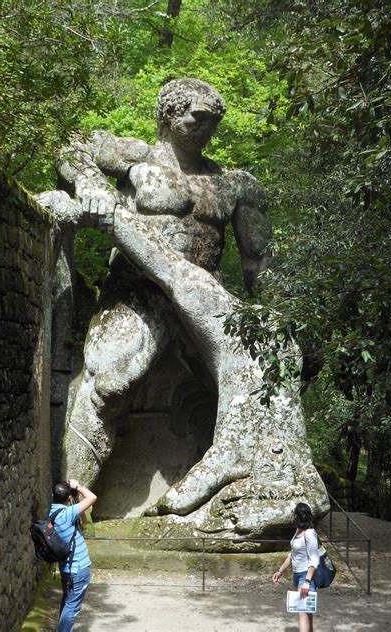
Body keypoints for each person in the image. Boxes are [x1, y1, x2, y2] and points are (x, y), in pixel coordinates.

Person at [52, 78, 272, 488]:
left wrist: (279, 320)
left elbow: (260, 264)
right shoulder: (137, 157)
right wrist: (91, 184)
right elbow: (71, 143)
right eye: (198, 118)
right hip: (139, 292)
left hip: (205, 297)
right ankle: (70, 505)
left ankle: (246, 491)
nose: (207, 129)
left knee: (255, 383)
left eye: (214, 122)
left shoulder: (234, 184)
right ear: (169, 115)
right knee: (109, 381)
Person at [50, 479, 97, 632]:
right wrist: (78, 487)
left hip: (67, 567)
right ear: (68, 498)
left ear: (53, 496)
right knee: (71, 608)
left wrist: (76, 498)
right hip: (78, 568)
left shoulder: (52, 512)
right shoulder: (67, 513)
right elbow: (92, 498)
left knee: (67, 603)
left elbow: (83, 522)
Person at [272, 502, 320, 632]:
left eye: (294, 513)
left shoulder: (310, 533)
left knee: (302, 612)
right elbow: (292, 555)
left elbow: (314, 559)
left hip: (306, 576)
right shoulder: (298, 531)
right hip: (297, 575)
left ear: (298, 515)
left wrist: (307, 581)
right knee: (306, 612)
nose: (292, 516)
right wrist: (280, 571)